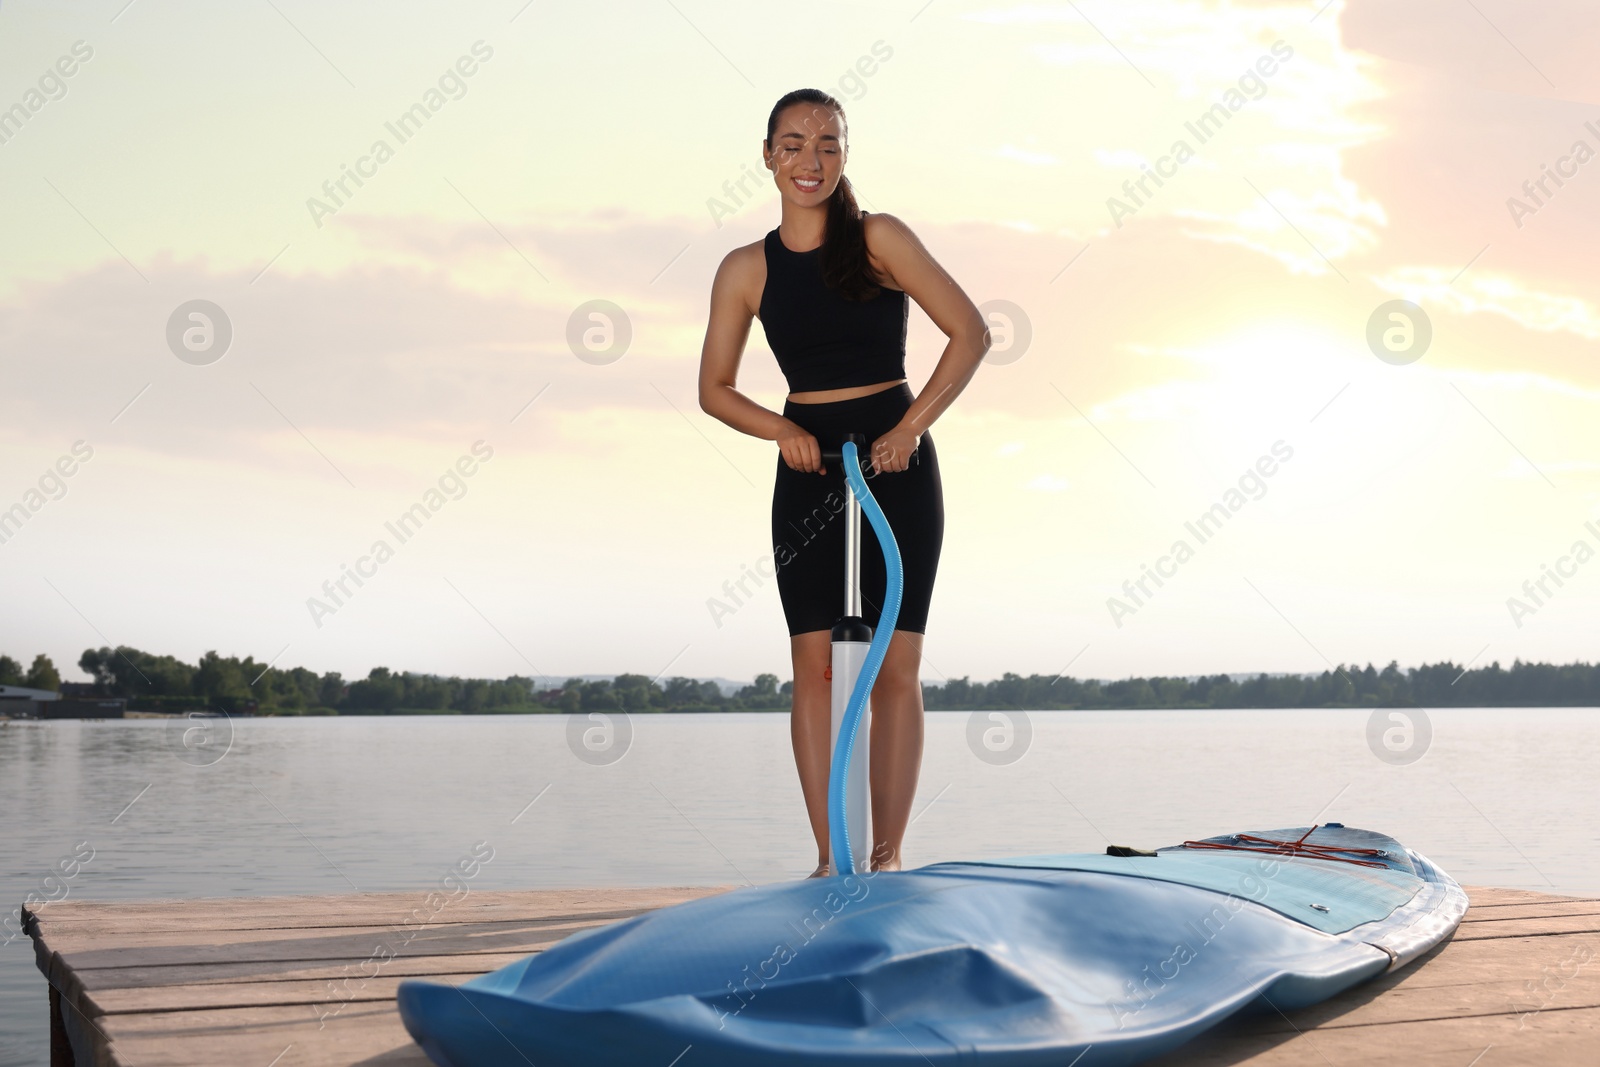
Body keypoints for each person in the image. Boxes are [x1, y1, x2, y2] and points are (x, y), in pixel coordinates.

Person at [698, 88, 989, 877]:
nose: (810, 160)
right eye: (792, 144)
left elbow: (970, 333)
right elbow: (714, 389)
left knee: (896, 667)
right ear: (767, 156)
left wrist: (910, 428)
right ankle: (832, 857)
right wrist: (783, 430)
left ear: (845, 154)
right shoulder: (745, 269)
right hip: (808, 468)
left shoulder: (880, 237)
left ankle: (888, 858)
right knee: (816, 669)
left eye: (827, 144)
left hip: (896, 463)